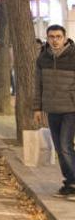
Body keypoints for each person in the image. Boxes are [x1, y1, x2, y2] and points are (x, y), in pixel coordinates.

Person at [33, 25, 75, 199]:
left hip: (71, 109)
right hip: (52, 109)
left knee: (65, 146)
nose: (55, 40)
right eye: (51, 37)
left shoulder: (73, 57)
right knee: (59, 148)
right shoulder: (43, 58)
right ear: (47, 38)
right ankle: (69, 182)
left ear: (65, 38)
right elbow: (38, 85)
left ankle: (73, 183)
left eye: (58, 36)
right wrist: (37, 108)